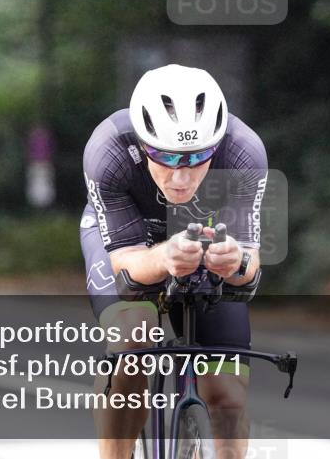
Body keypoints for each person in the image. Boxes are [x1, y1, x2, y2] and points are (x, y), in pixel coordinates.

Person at [80, 64, 267, 459]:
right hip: (127, 238)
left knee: (228, 394)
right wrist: (165, 256)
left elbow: (249, 268)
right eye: (164, 157)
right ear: (143, 143)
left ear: (216, 145)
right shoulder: (109, 149)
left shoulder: (243, 150)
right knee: (133, 338)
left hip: (202, 237)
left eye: (197, 157)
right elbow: (126, 268)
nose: (180, 177)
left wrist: (233, 259)